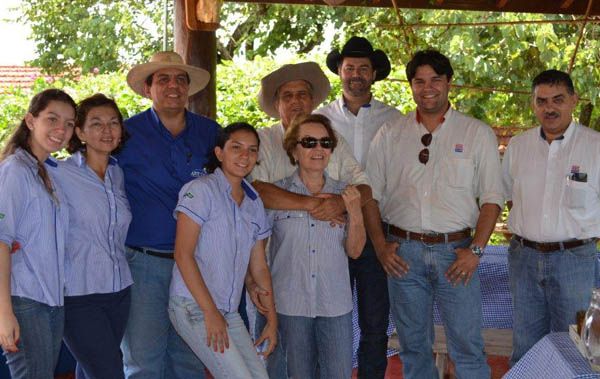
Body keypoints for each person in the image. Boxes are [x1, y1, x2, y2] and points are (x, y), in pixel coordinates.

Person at [364, 50, 503, 378]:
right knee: (413, 348)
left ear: (449, 83)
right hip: (402, 253)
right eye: (419, 81)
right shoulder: (390, 133)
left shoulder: (476, 133)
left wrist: (476, 251)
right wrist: (381, 247)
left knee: (467, 348)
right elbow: (369, 197)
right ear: (411, 86)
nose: (427, 88)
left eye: (435, 80)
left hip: (456, 255)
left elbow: (492, 200)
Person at [251, 61, 371, 378]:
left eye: (302, 94)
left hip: (331, 297)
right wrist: (311, 204)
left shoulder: (332, 143)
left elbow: (363, 187)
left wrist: (341, 206)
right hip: (281, 285)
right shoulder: (261, 140)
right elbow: (254, 191)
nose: (296, 101)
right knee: (285, 368)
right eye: (287, 95)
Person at [117, 51, 221, 379]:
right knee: (143, 360)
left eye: (180, 79)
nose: (173, 85)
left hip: (196, 265)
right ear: (148, 89)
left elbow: (230, 189)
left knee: (189, 360)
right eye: (163, 79)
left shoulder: (211, 133)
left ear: (189, 88)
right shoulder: (124, 134)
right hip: (145, 263)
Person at [502, 69, 600, 365]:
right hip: (524, 258)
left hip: (574, 259)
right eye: (542, 101)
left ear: (573, 100)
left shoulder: (595, 146)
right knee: (525, 345)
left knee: (575, 347)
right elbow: (508, 197)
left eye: (558, 99)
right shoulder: (518, 146)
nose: (549, 108)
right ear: (533, 105)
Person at [317, 36, 402, 379]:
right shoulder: (319, 118)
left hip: (377, 229)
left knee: (374, 320)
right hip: (331, 225)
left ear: (374, 74)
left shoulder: (394, 120)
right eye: (349, 67)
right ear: (339, 71)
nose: (355, 74)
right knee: (327, 314)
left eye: (363, 69)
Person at [168, 122, 276, 379]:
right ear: (219, 153)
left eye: (252, 150)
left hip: (227, 310)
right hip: (193, 306)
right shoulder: (201, 190)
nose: (244, 156)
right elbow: (183, 255)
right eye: (236, 147)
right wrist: (210, 312)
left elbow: (259, 267)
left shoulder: (253, 202)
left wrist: (272, 321)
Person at [269, 113, 366, 379]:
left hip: (334, 304)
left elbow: (355, 251)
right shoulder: (276, 194)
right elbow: (258, 248)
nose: (318, 149)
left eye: (325, 142)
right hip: (289, 304)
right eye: (309, 142)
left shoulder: (346, 194)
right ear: (294, 150)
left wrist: (354, 211)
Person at [0, 89, 76, 378]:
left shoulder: (45, 173)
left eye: (69, 123)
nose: (61, 130)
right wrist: (4, 313)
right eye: (52, 119)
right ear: (31, 121)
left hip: (51, 299)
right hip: (25, 299)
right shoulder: (14, 171)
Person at [55, 94, 132, 379]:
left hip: (120, 290)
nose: (107, 130)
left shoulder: (118, 174)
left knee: (92, 369)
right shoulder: (58, 172)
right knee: (110, 371)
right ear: (79, 131)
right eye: (96, 123)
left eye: (114, 123)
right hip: (78, 294)